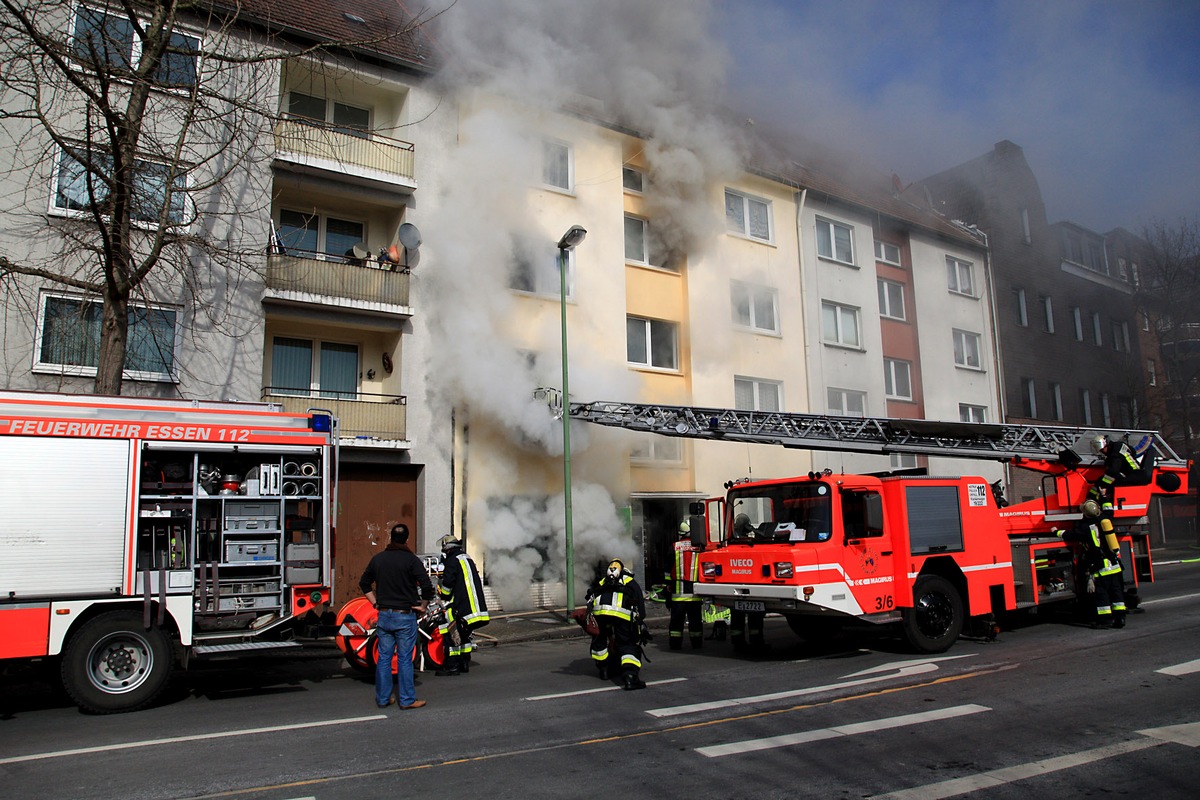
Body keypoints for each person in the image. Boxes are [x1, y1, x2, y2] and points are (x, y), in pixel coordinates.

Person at [359, 523, 435, 709]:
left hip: (384, 615)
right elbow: (427, 586)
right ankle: (407, 700)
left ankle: (383, 699)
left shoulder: (378, 559)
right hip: (405, 615)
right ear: (407, 540)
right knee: (404, 659)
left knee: (384, 659)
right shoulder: (411, 560)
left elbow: (364, 583)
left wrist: (375, 603)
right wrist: (423, 606)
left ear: (390, 538)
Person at [1055, 501, 1127, 629]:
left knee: (1102, 593)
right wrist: (1104, 497)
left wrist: (1057, 532)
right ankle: (1120, 618)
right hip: (1114, 564)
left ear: (1085, 514)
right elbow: (1109, 512)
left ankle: (1104, 620)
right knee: (1116, 592)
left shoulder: (1084, 527)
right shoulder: (1105, 519)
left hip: (1100, 567)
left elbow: (1071, 535)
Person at [588, 558, 649, 690]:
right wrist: (639, 621)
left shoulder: (602, 581)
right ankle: (630, 677)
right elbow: (640, 605)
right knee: (627, 643)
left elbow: (590, 597)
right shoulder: (630, 582)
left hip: (601, 614)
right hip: (622, 616)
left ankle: (604, 670)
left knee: (600, 640)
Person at [434, 535, 490, 676]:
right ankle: (464, 663)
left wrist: (439, 589)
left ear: (447, 548)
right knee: (464, 636)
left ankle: (452, 666)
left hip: (463, 608)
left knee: (451, 634)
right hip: (474, 608)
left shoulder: (452, 561)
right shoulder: (466, 557)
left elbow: (447, 589)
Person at [667, 520, 704, 650]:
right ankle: (697, 643)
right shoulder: (700, 546)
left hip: (678, 594)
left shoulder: (674, 546)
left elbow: (668, 569)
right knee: (695, 622)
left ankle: (675, 644)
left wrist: (668, 585)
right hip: (695, 593)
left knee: (676, 622)